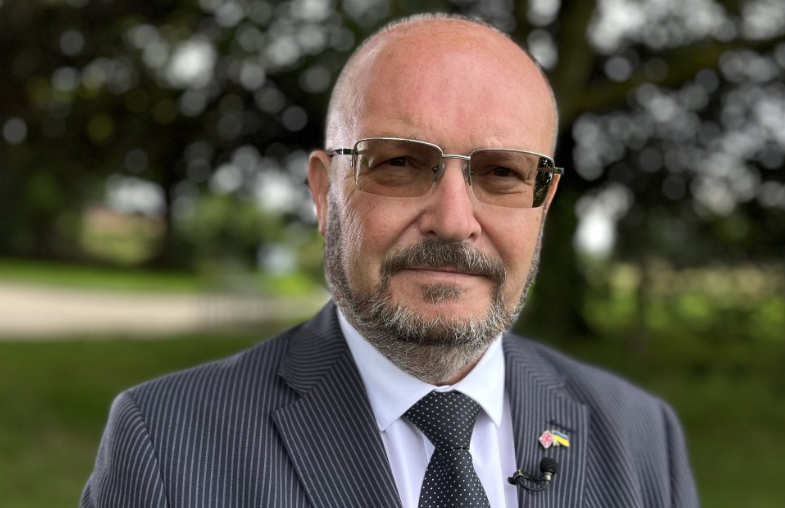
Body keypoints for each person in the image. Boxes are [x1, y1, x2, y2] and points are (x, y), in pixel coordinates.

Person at [81, 13, 698, 508]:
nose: (454, 220)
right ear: (325, 193)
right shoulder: (166, 442)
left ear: (543, 203)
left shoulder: (642, 436)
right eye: (400, 163)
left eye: (502, 173)